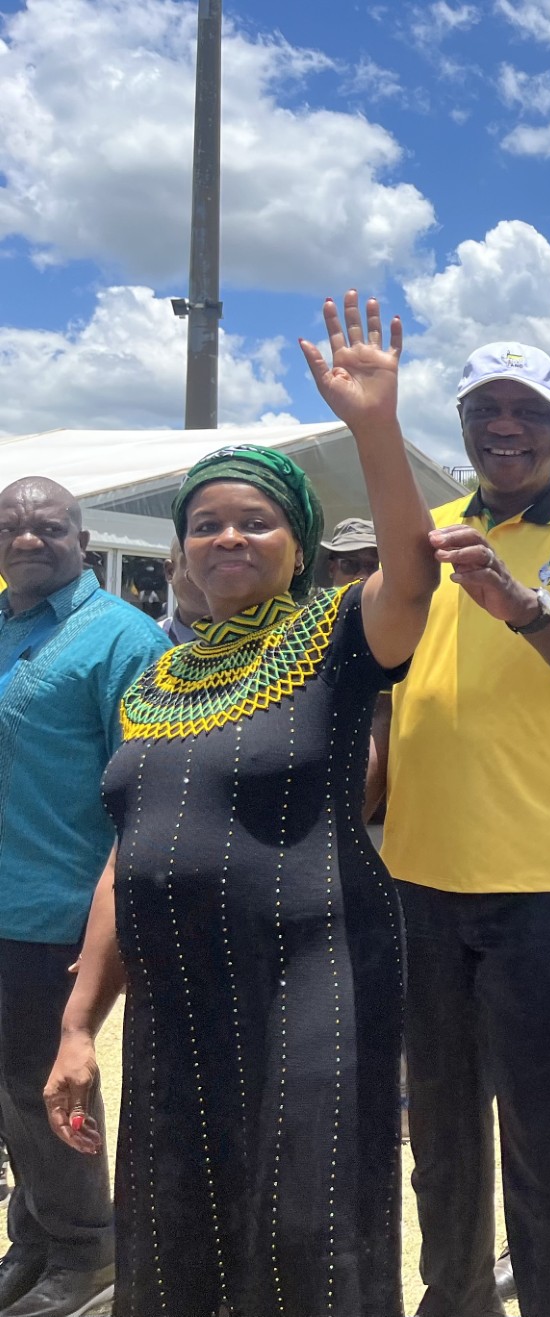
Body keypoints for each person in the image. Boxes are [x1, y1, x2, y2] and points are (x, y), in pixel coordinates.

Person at [43, 292, 438, 1317]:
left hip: (312, 976)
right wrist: (81, 1023)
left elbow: (411, 578)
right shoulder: (156, 679)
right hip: (176, 998)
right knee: (173, 1221)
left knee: (307, 1225)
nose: (229, 537)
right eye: (206, 525)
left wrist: (376, 426)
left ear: (297, 547)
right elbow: (129, 854)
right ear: (179, 553)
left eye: (256, 522)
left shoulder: (336, 638)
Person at [380, 341, 550, 1317]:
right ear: (461, 423)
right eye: (485, 409)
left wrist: (523, 607)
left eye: (529, 410)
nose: (505, 427)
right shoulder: (427, 530)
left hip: (545, 883)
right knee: (441, 1131)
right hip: (420, 873)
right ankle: (453, 1298)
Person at [0, 479, 168, 1316]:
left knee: (50, 1085)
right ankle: (34, 1236)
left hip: (61, 907)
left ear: (83, 537)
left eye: (49, 526)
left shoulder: (122, 639)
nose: (28, 539)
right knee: (9, 1089)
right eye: (11, 526)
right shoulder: (4, 626)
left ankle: (87, 1248)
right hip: (3, 900)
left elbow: (146, 791)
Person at [158, 541, 211, 645]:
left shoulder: (246, 644)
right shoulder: (148, 643)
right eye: (197, 568)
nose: (213, 580)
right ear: (170, 571)